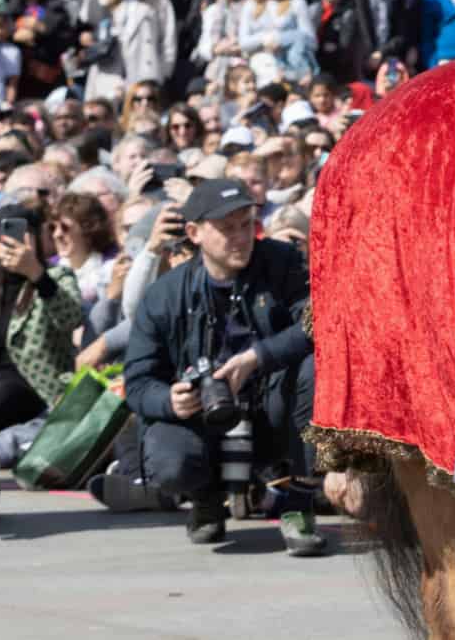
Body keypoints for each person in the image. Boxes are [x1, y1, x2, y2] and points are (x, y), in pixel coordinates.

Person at [121, 178, 323, 555]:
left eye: (246, 224)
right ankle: (205, 497)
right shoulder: (165, 295)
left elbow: (319, 323)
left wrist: (258, 357)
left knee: (315, 370)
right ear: (194, 233)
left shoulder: (283, 263)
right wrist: (170, 400)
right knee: (169, 460)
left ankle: (299, 504)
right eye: (226, 228)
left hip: (272, 409)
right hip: (202, 419)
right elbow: (137, 381)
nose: (240, 237)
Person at [0, 203, 82, 436]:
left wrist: (36, 275)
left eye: (23, 235)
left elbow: (71, 319)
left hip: (33, 386)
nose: (14, 243)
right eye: (5, 238)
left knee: (3, 393)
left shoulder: (57, 277)